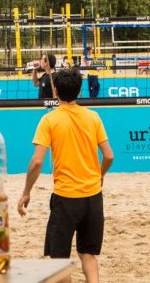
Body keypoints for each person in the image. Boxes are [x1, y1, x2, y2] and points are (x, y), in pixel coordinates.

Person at [18, 69, 114, 283]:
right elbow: (109, 155)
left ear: (55, 90)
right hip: (93, 197)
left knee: (59, 260)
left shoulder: (49, 120)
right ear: (79, 90)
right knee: (88, 255)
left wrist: (26, 192)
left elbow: (36, 162)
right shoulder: (93, 117)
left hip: (66, 198)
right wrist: (100, 176)